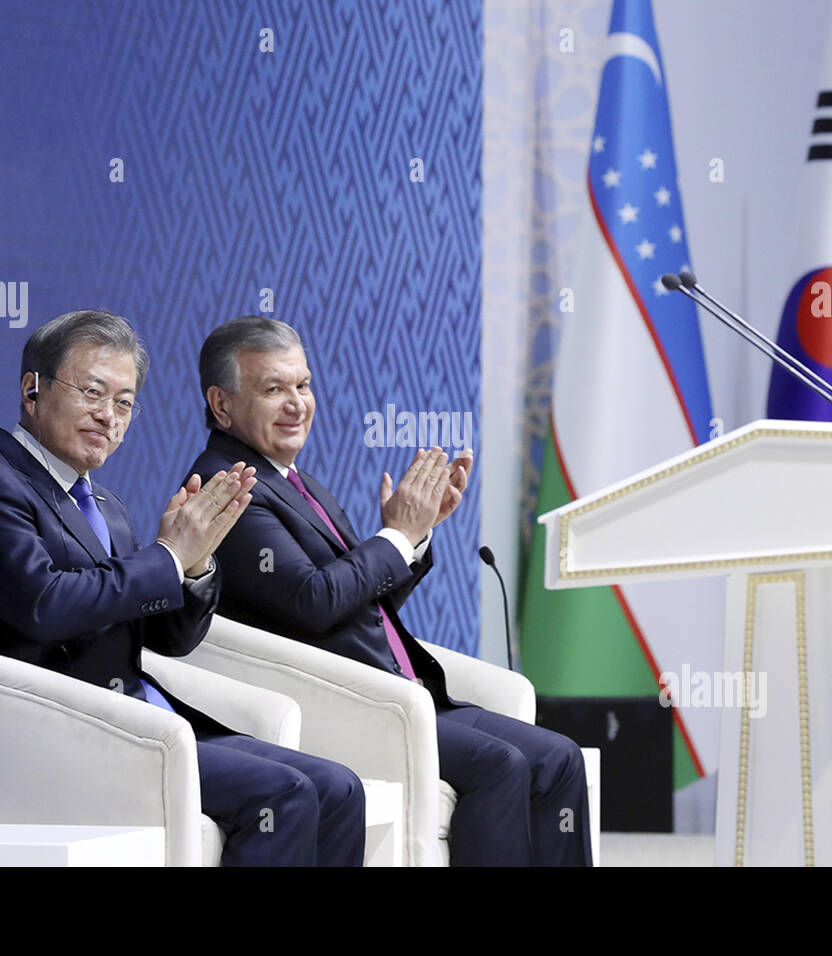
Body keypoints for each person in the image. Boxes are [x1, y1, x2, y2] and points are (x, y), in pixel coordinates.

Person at [0, 309, 364, 866]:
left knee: (341, 788)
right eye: (93, 392)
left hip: (146, 719)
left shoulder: (106, 505)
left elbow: (165, 637)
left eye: (125, 402)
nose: (108, 416)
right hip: (64, 732)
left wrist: (196, 567)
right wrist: (166, 557)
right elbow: (43, 606)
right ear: (31, 389)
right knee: (285, 794)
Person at [187, 315, 592, 866]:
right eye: (273, 389)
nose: (296, 404)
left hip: (405, 691)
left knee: (561, 759)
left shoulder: (297, 482)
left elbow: (354, 603)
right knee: (502, 765)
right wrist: (395, 535)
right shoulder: (231, 489)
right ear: (222, 404)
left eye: (303, 385)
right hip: (351, 705)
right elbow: (314, 602)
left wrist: (414, 537)